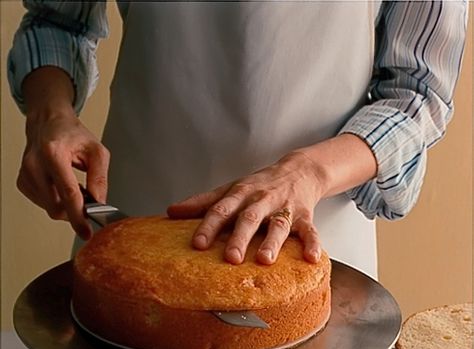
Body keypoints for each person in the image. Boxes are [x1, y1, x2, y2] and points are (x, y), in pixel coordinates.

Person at [8, 1, 468, 278]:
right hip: (133, 226)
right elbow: (57, 20)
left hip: (314, 242)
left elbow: (417, 94)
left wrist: (308, 172)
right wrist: (50, 115)